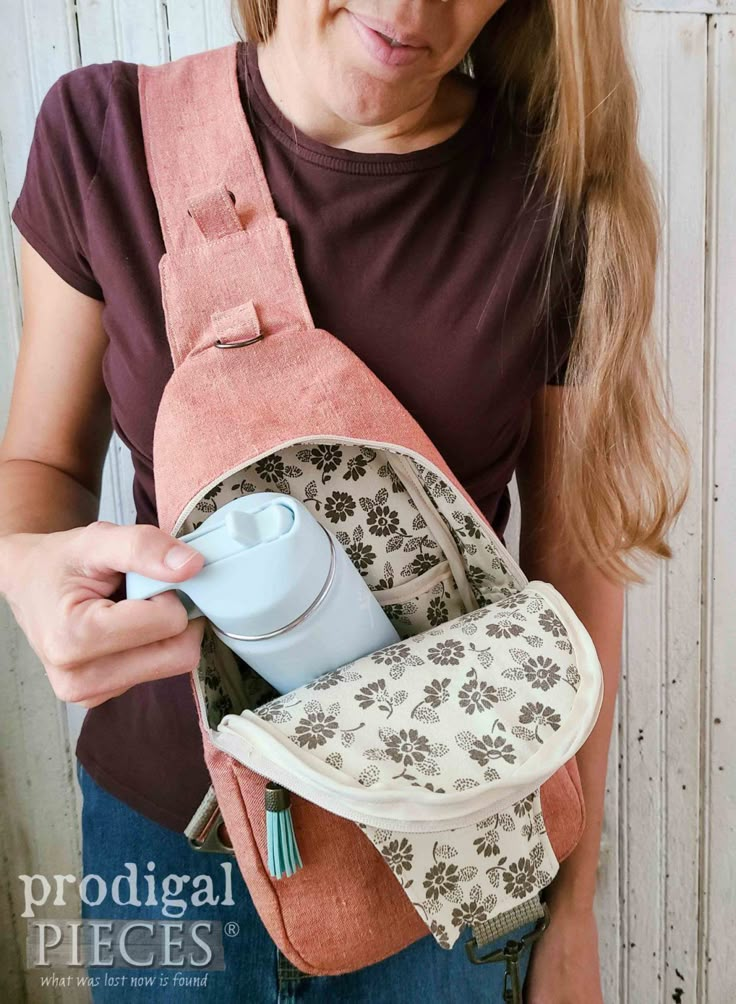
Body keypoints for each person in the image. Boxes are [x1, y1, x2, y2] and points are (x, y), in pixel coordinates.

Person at [0, 1, 688, 1001]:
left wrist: (572, 906)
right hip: (164, 849)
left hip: (454, 842)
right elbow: (41, 462)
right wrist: (21, 560)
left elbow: (578, 562)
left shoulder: (554, 196)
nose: (410, 10)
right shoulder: (104, 133)